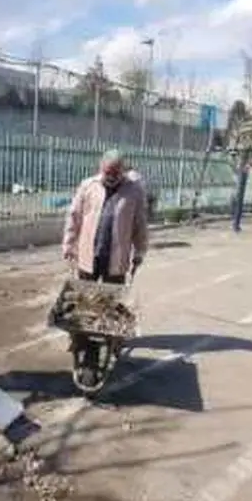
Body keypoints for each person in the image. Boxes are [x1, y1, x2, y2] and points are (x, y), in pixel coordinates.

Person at [61, 150, 149, 386]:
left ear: (122, 170)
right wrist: (68, 244)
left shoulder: (134, 191)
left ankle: (114, 340)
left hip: (116, 258)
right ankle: (79, 339)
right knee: (85, 303)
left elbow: (140, 224)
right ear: (101, 168)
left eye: (115, 172)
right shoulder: (88, 186)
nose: (110, 176)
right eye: (107, 171)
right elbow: (74, 217)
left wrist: (139, 252)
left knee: (112, 305)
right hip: (89, 255)